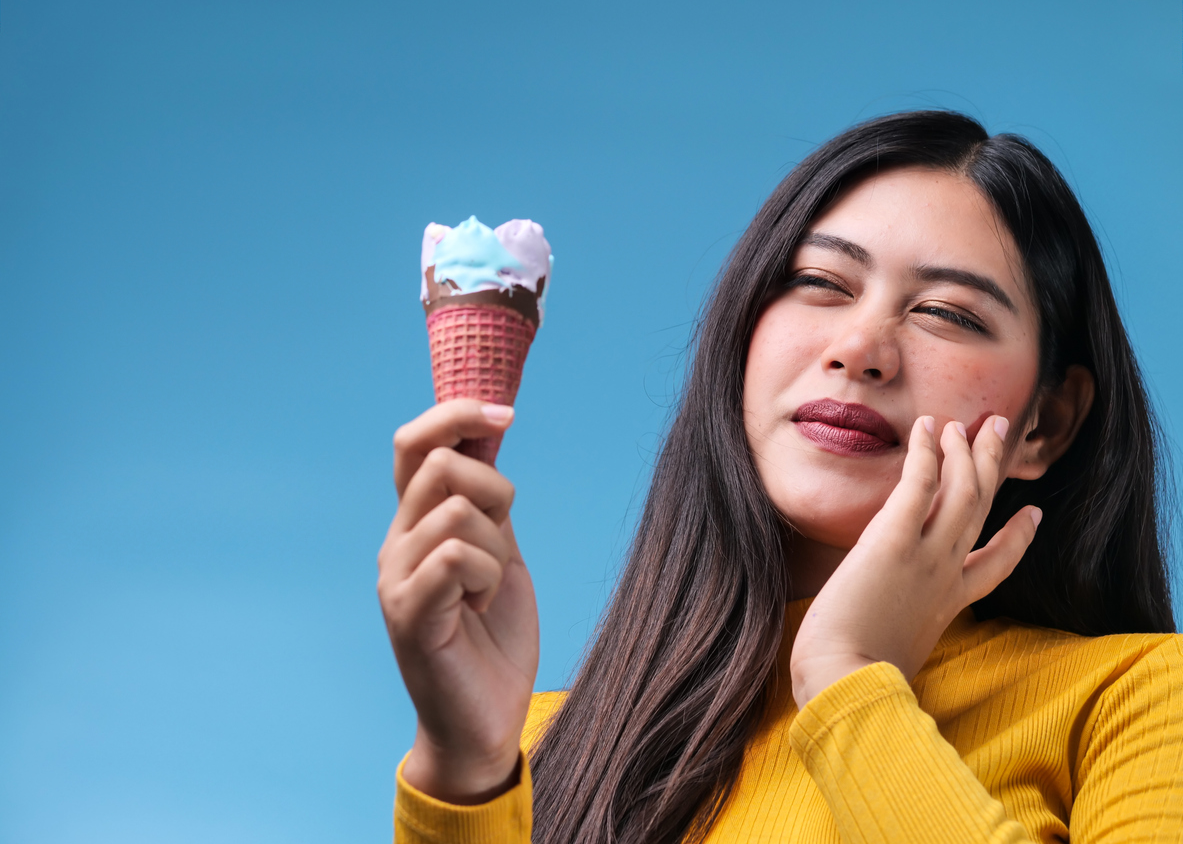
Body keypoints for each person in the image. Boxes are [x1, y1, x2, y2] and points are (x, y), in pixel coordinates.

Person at [378, 110, 1183, 843]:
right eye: (819, 283)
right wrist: (466, 767)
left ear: (1044, 423)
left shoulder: (1138, 701)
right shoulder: (534, 749)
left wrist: (848, 677)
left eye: (946, 313)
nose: (860, 346)